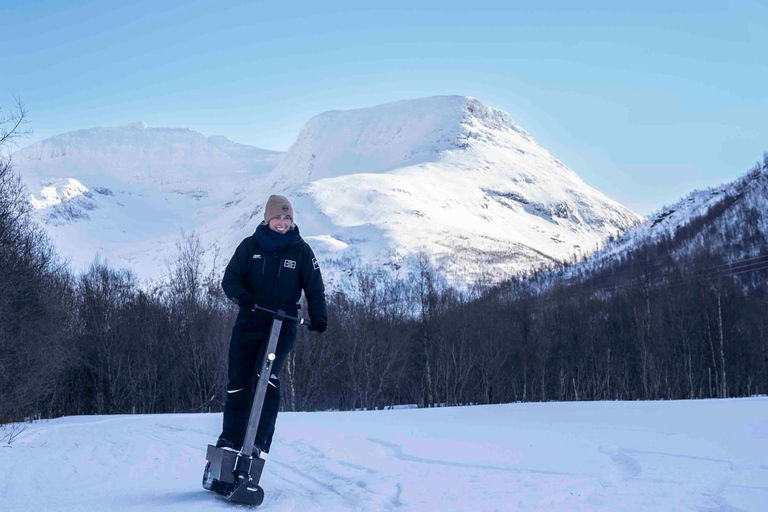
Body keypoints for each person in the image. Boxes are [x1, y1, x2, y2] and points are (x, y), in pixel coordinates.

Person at [217, 194, 327, 456]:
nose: (282, 222)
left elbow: (314, 287)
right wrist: (242, 297)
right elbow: (230, 279)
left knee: (265, 378)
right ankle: (230, 437)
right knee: (239, 379)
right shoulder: (249, 246)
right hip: (250, 318)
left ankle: (257, 440)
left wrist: (320, 317)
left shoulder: (301, 250)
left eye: (287, 217)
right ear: (268, 219)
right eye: (277, 217)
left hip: (282, 323)